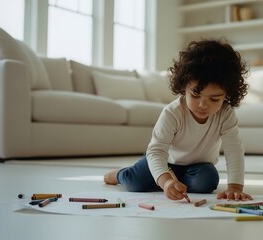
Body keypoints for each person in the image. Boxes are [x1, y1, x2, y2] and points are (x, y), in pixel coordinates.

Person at [104, 38, 253, 201]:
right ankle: (120, 174)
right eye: (195, 95)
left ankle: (171, 182)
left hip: (198, 167)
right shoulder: (172, 112)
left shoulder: (226, 113)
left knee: (206, 182)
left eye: (214, 99)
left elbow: (234, 150)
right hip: (166, 161)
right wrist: (166, 181)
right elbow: (156, 151)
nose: (203, 105)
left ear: (227, 95)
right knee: (135, 184)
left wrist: (235, 187)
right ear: (184, 86)